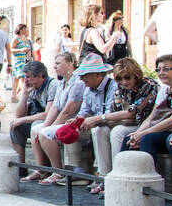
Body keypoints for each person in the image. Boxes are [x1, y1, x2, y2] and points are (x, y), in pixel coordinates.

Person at [122, 54, 172, 197]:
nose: (161, 73)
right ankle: (124, 180)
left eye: (166, 69)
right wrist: (138, 134)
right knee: (128, 139)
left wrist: (144, 134)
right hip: (166, 129)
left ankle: (149, 184)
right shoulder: (164, 89)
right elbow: (152, 117)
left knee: (150, 139)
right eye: (158, 70)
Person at [38, 54, 119, 185]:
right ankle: (76, 171)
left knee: (98, 131)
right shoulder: (87, 88)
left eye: (85, 75)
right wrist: (78, 120)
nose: (81, 79)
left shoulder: (112, 87)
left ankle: (102, 174)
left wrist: (91, 120)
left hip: (108, 124)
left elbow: (111, 113)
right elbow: (84, 111)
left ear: (98, 74)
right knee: (69, 129)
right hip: (93, 123)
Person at [87, 58, 160, 194]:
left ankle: (117, 175)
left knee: (118, 132)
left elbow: (132, 113)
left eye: (127, 78)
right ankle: (104, 176)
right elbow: (116, 111)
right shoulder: (120, 88)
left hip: (145, 125)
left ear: (136, 75)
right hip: (127, 123)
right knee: (99, 130)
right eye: (120, 79)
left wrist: (100, 118)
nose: (124, 82)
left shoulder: (149, 86)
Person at [24, 52, 82, 183]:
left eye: (58, 63)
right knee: (36, 130)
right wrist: (46, 125)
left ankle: (58, 171)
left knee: (45, 133)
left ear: (70, 64)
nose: (54, 66)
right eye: (54, 63)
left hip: (72, 120)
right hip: (63, 120)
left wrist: (50, 128)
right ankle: (41, 169)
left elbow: (67, 111)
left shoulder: (77, 82)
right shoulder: (61, 83)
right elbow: (55, 107)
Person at [10, 60, 58, 165]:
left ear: (40, 76)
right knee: (15, 126)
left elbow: (47, 114)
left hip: (54, 120)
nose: (25, 80)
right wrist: (24, 94)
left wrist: (22, 119)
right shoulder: (33, 87)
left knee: (35, 126)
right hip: (39, 119)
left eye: (28, 77)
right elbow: (19, 115)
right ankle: (20, 166)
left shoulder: (52, 85)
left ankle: (42, 168)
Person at [9, 25, 34, 103]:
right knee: (22, 77)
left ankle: (14, 95)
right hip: (17, 60)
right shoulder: (16, 39)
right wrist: (20, 50)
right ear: (21, 29)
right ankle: (25, 96)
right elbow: (10, 49)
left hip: (23, 60)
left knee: (17, 78)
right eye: (25, 29)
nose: (26, 30)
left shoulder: (26, 39)